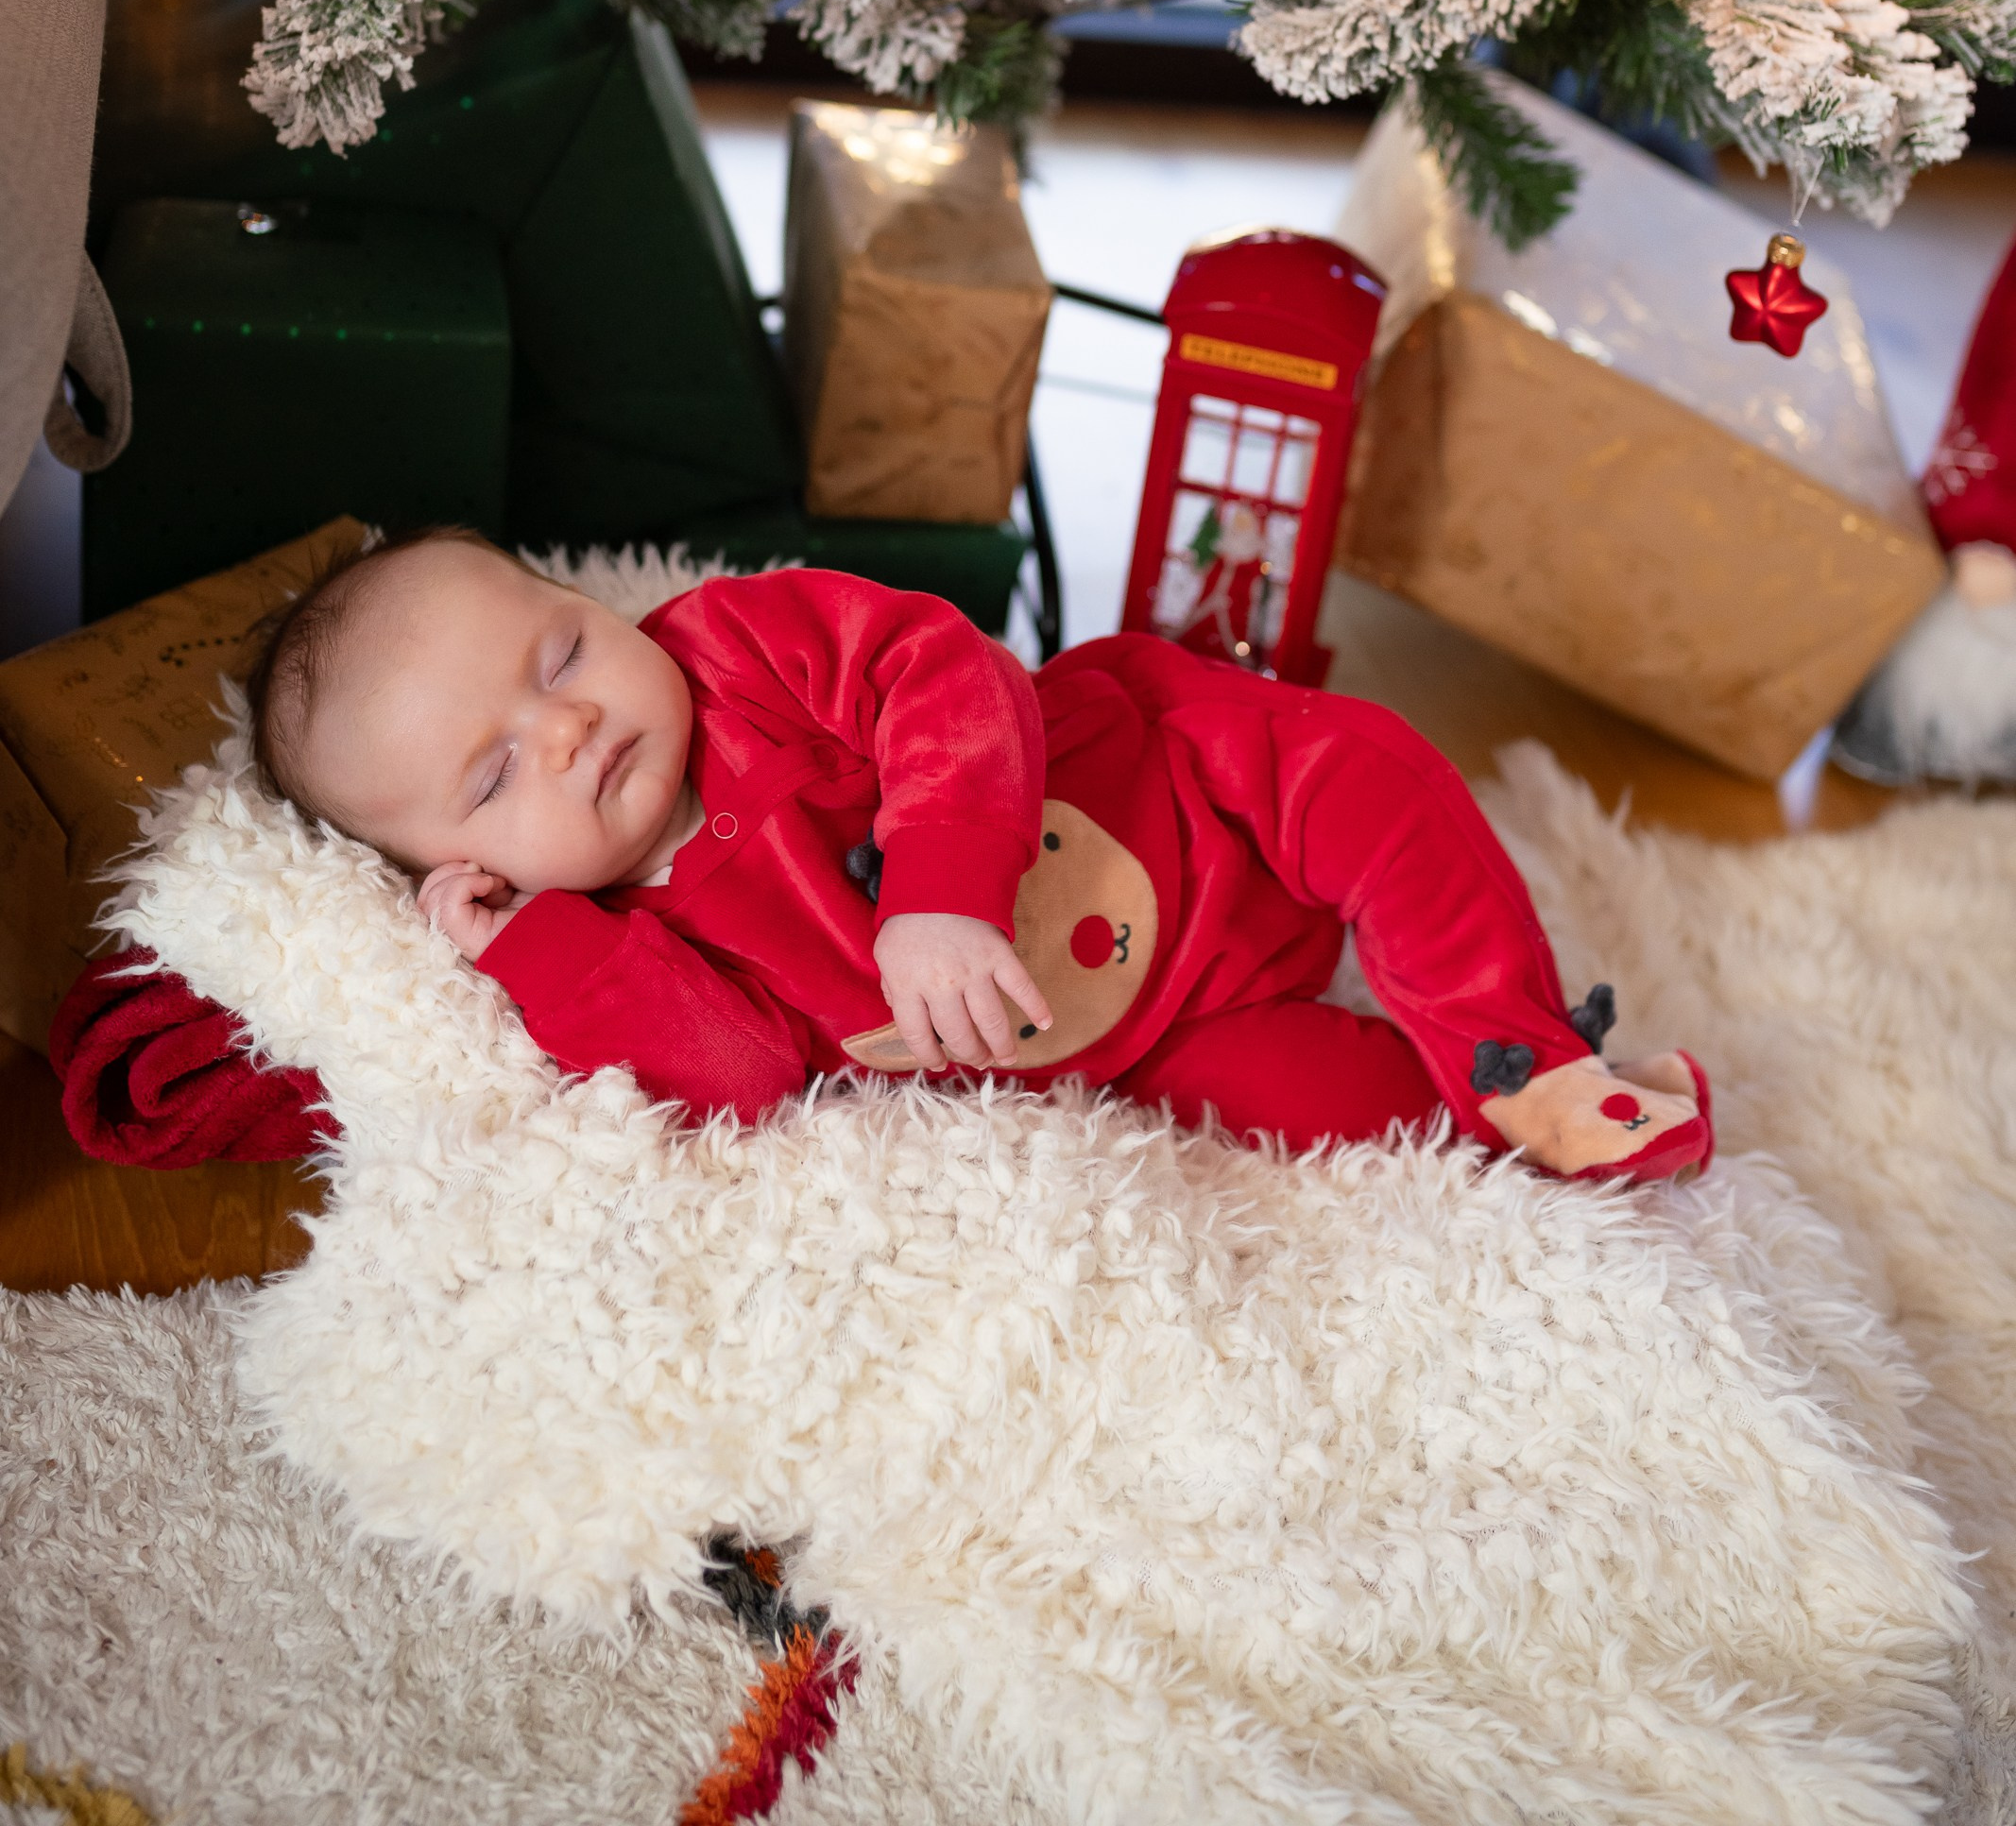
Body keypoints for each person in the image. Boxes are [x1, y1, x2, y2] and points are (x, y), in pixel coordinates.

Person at [54, 531, 1710, 1184]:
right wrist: (531, 955)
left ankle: (1519, 1052)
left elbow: (945, 672)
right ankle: (1530, 1127)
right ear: (456, 864)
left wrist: (939, 890)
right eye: (494, 775)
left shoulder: (736, 648)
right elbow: (733, 1078)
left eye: (559, 653)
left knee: (1363, 777)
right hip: (1151, 1038)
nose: (566, 728)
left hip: (1187, 782)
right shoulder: (621, 931)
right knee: (1328, 1120)